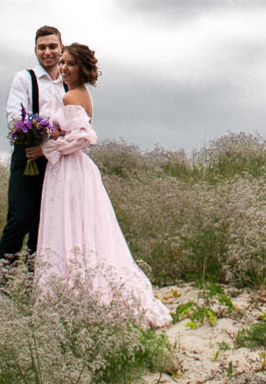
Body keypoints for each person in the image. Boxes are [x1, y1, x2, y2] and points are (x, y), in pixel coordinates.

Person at [37, 43, 172, 327]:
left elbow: (84, 137)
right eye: (61, 63)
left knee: (69, 225)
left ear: (82, 68)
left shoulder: (72, 96)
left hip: (70, 170)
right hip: (76, 169)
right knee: (83, 228)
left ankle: (74, 292)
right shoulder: (80, 94)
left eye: (69, 63)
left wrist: (49, 147)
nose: (63, 68)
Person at [0, 24, 66, 265]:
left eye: (52, 47)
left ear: (61, 48)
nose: (47, 52)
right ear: (35, 50)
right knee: (20, 219)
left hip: (58, 161)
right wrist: (45, 132)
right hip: (26, 156)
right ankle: (1, 283)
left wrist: (51, 143)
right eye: (42, 47)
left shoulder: (68, 83)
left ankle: (34, 282)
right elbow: (15, 117)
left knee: (46, 223)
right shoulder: (25, 78)